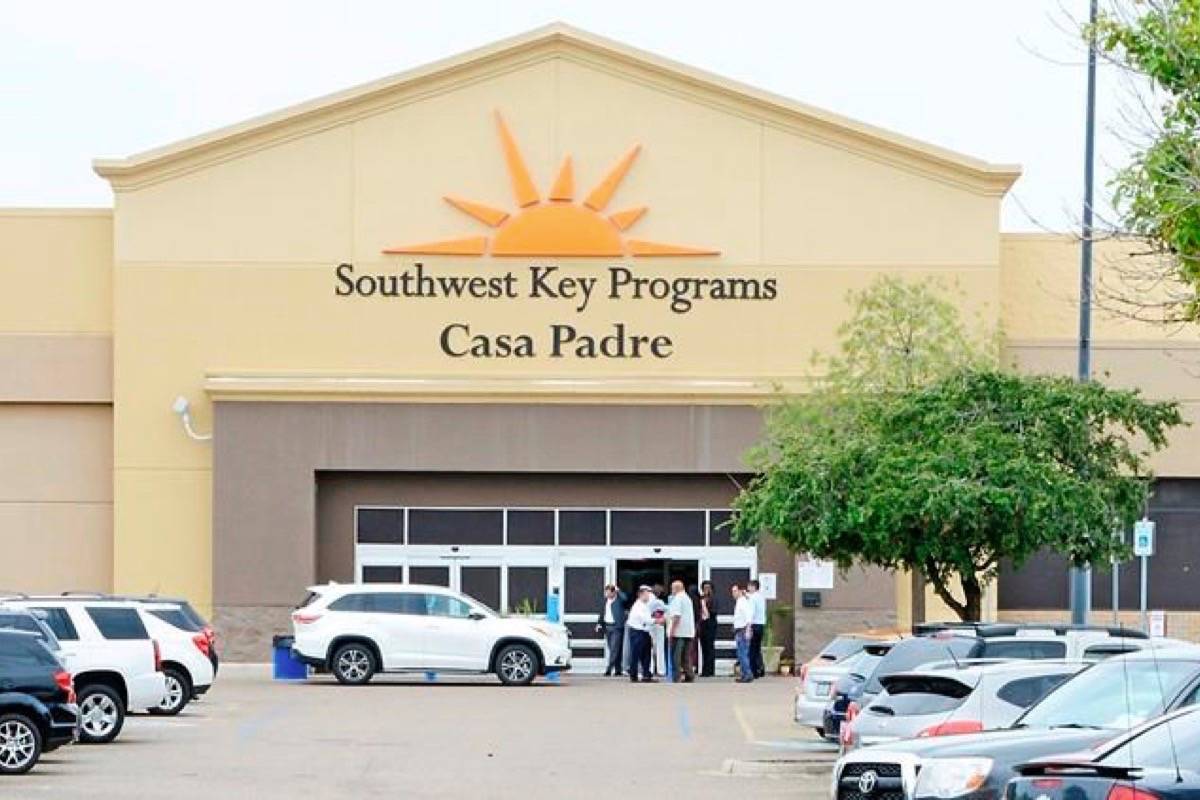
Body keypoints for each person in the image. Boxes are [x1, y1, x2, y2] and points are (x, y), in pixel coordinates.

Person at [625, 585, 657, 683]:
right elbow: (645, 619)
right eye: (647, 594)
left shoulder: (644, 604)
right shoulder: (638, 606)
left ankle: (646, 675)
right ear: (641, 595)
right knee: (636, 653)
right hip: (637, 631)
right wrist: (657, 620)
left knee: (646, 654)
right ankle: (633, 675)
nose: (649, 597)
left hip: (644, 632)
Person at [667, 580, 696, 682]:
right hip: (688, 632)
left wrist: (672, 631)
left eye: (672, 588)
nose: (671, 590)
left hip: (679, 633)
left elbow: (676, 616)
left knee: (676, 656)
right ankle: (689, 675)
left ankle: (676, 677)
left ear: (677, 588)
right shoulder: (687, 598)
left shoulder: (678, 599)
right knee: (686, 656)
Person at [595, 584, 627, 677]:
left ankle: (609, 669)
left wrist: (618, 590)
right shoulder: (605, 601)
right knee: (614, 649)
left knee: (614, 648)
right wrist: (599, 623)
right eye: (606, 591)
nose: (606, 593)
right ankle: (618, 670)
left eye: (608, 592)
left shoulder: (619, 600)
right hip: (607, 627)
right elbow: (602, 613)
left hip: (616, 627)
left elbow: (625, 598)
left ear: (613, 592)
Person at [731, 583, 754, 683]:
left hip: (743, 630)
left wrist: (748, 630)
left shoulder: (743, 602)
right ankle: (745, 674)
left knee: (742, 654)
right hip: (739, 630)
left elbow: (748, 617)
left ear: (740, 591)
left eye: (735, 591)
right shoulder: (740, 601)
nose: (733, 593)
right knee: (741, 654)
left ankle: (747, 674)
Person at [747, 578, 767, 679]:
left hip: (754, 624)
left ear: (754, 587)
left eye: (749, 586)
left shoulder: (753, 598)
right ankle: (761, 668)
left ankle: (754, 671)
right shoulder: (761, 597)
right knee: (757, 648)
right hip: (761, 624)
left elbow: (751, 612)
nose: (748, 588)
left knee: (752, 650)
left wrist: (749, 626)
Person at [698, 580, 718, 677]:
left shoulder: (713, 599)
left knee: (709, 647)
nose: (706, 590)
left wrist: (705, 606)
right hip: (702, 625)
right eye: (704, 588)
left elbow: (713, 612)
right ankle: (704, 669)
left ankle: (709, 670)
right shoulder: (701, 598)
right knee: (704, 648)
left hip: (710, 624)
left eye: (708, 588)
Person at [648, 583, 667, 676]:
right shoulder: (659, 602)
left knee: (650, 648)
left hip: (649, 625)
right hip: (658, 624)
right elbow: (667, 610)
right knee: (659, 647)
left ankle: (650, 669)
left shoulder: (645, 601)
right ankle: (661, 670)